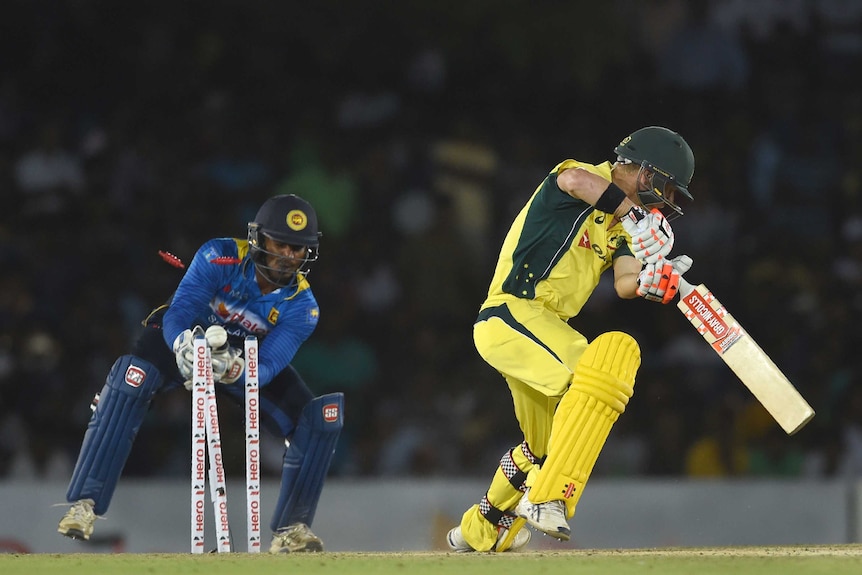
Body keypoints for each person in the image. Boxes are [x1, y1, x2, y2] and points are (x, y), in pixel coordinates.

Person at [446, 126, 696, 552]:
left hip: (544, 331)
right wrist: (635, 217)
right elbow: (575, 183)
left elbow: (623, 282)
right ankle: (548, 498)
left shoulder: (621, 231)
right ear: (643, 170)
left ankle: (479, 528)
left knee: (543, 448)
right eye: (666, 189)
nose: (666, 203)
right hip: (512, 312)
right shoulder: (583, 175)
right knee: (607, 364)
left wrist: (654, 280)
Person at [57, 194, 344, 553]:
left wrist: (237, 370)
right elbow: (180, 310)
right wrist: (183, 345)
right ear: (259, 238)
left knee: (317, 420)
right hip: (182, 337)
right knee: (131, 379)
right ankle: (84, 505)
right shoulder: (219, 256)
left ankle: (292, 529)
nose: (290, 256)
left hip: (241, 358)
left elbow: (269, 365)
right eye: (281, 244)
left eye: (299, 249)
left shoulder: (303, 307)